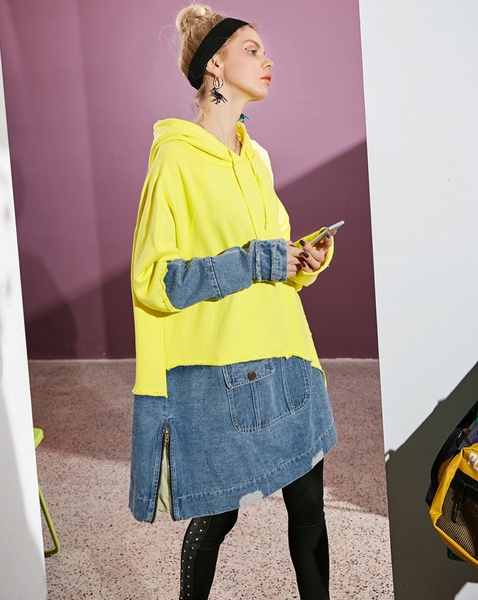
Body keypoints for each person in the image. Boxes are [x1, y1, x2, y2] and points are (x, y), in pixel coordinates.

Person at [129, 4, 338, 599]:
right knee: (217, 516)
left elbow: (266, 260)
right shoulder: (175, 158)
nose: (267, 60)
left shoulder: (258, 157)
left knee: (310, 511)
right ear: (215, 65)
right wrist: (258, 260)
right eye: (252, 50)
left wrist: (299, 261)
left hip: (289, 356)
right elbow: (155, 280)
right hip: (221, 370)